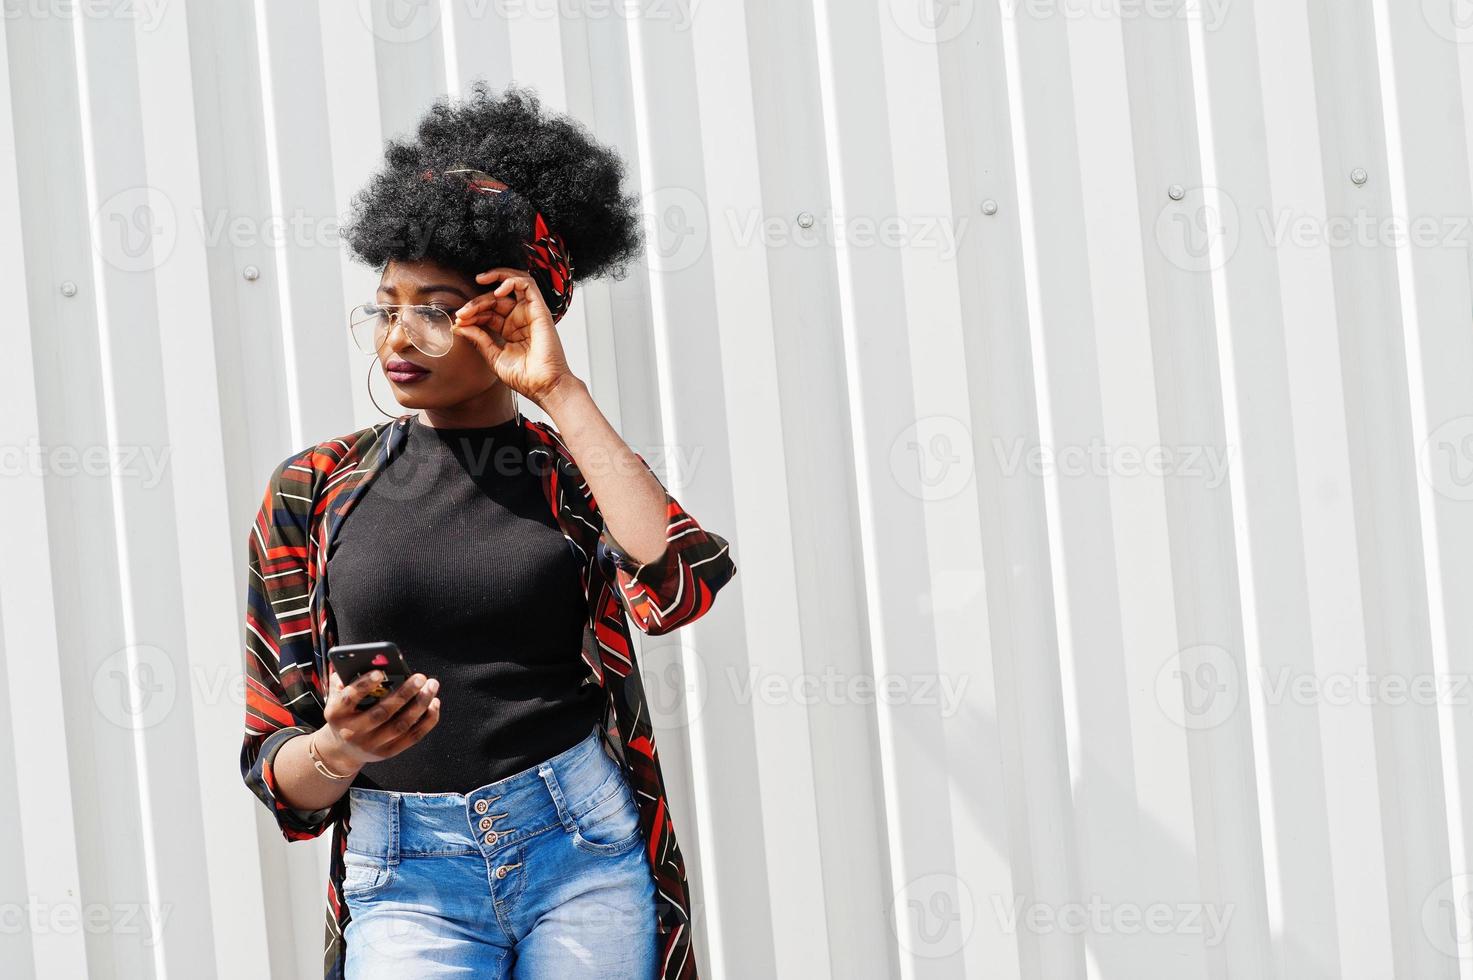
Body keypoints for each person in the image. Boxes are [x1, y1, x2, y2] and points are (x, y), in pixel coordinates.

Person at [239, 80, 735, 980]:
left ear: (511, 311)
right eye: (387, 305)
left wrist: (558, 390)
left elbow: (678, 588)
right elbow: (281, 774)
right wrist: (342, 746)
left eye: (436, 308)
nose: (400, 335)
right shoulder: (313, 490)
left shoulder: (568, 473)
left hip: (581, 850)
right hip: (404, 872)